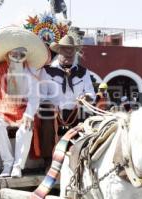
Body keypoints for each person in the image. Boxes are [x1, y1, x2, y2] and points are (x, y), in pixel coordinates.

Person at [0, 27, 50, 178]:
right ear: (8, 55)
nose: (17, 57)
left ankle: (18, 166)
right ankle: (8, 163)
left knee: (26, 128)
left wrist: (29, 115)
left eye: (21, 54)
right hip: (3, 111)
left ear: (25, 56)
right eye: (14, 54)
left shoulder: (30, 73)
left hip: (24, 111)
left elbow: (34, 97)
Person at [39, 34, 95, 165]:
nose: (69, 53)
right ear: (59, 51)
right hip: (55, 112)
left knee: (88, 122)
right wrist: (50, 105)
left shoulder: (84, 72)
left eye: (72, 51)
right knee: (46, 119)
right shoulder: (47, 71)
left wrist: (85, 97)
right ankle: (48, 162)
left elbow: (91, 93)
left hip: (76, 111)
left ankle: (82, 160)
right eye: (65, 50)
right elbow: (42, 96)